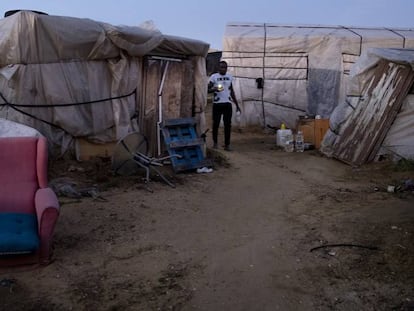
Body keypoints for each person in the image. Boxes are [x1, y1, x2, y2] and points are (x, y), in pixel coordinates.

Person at [208, 60, 241, 151]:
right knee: (216, 124)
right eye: (222, 67)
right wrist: (215, 89)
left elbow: (232, 91)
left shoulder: (229, 77)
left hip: (227, 104)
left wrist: (237, 105)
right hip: (217, 104)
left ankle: (227, 144)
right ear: (218, 68)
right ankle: (215, 143)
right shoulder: (213, 77)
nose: (224, 69)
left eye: (225, 67)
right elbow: (207, 89)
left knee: (228, 125)